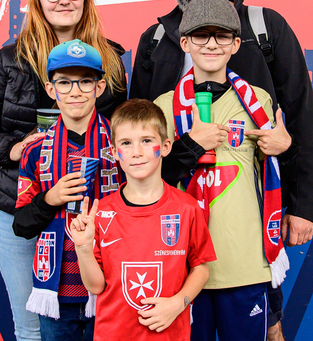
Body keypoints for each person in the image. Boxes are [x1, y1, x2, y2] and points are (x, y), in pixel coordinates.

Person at [130, 0, 313, 340]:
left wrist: (303, 204)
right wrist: (189, 145)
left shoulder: (263, 27)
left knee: (267, 323)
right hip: (175, 232)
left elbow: (299, 120)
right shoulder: (155, 39)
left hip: (248, 224)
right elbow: (138, 135)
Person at [0, 0, 126, 341]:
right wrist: (16, 149)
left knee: (100, 322)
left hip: (93, 214)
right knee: (32, 327)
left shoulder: (111, 59)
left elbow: (123, 134)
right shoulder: (10, 59)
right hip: (21, 209)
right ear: (37, 1)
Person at [154, 0, 290, 341]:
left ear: (235, 45)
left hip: (244, 263)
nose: (212, 44)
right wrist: (192, 144)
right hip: (183, 267)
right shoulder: (164, 107)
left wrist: (283, 148)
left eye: (222, 36)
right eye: (201, 35)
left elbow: (270, 174)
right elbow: (151, 181)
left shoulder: (258, 100)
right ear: (185, 43)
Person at [69, 99, 216, 340]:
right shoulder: (102, 212)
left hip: (169, 335)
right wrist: (83, 249)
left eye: (146, 141)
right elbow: (96, 287)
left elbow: (201, 268)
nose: (136, 152)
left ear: (165, 146)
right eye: (126, 143)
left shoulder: (186, 208)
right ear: (114, 152)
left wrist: (178, 303)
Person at [12, 39, 125, 341]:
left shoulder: (121, 142)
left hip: (112, 285)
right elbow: (21, 225)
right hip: (58, 294)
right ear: (51, 90)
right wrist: (50, 198)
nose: (75, 91)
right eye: (64, 82)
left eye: (85, 81)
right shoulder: (36, 150)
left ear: (100, 87)